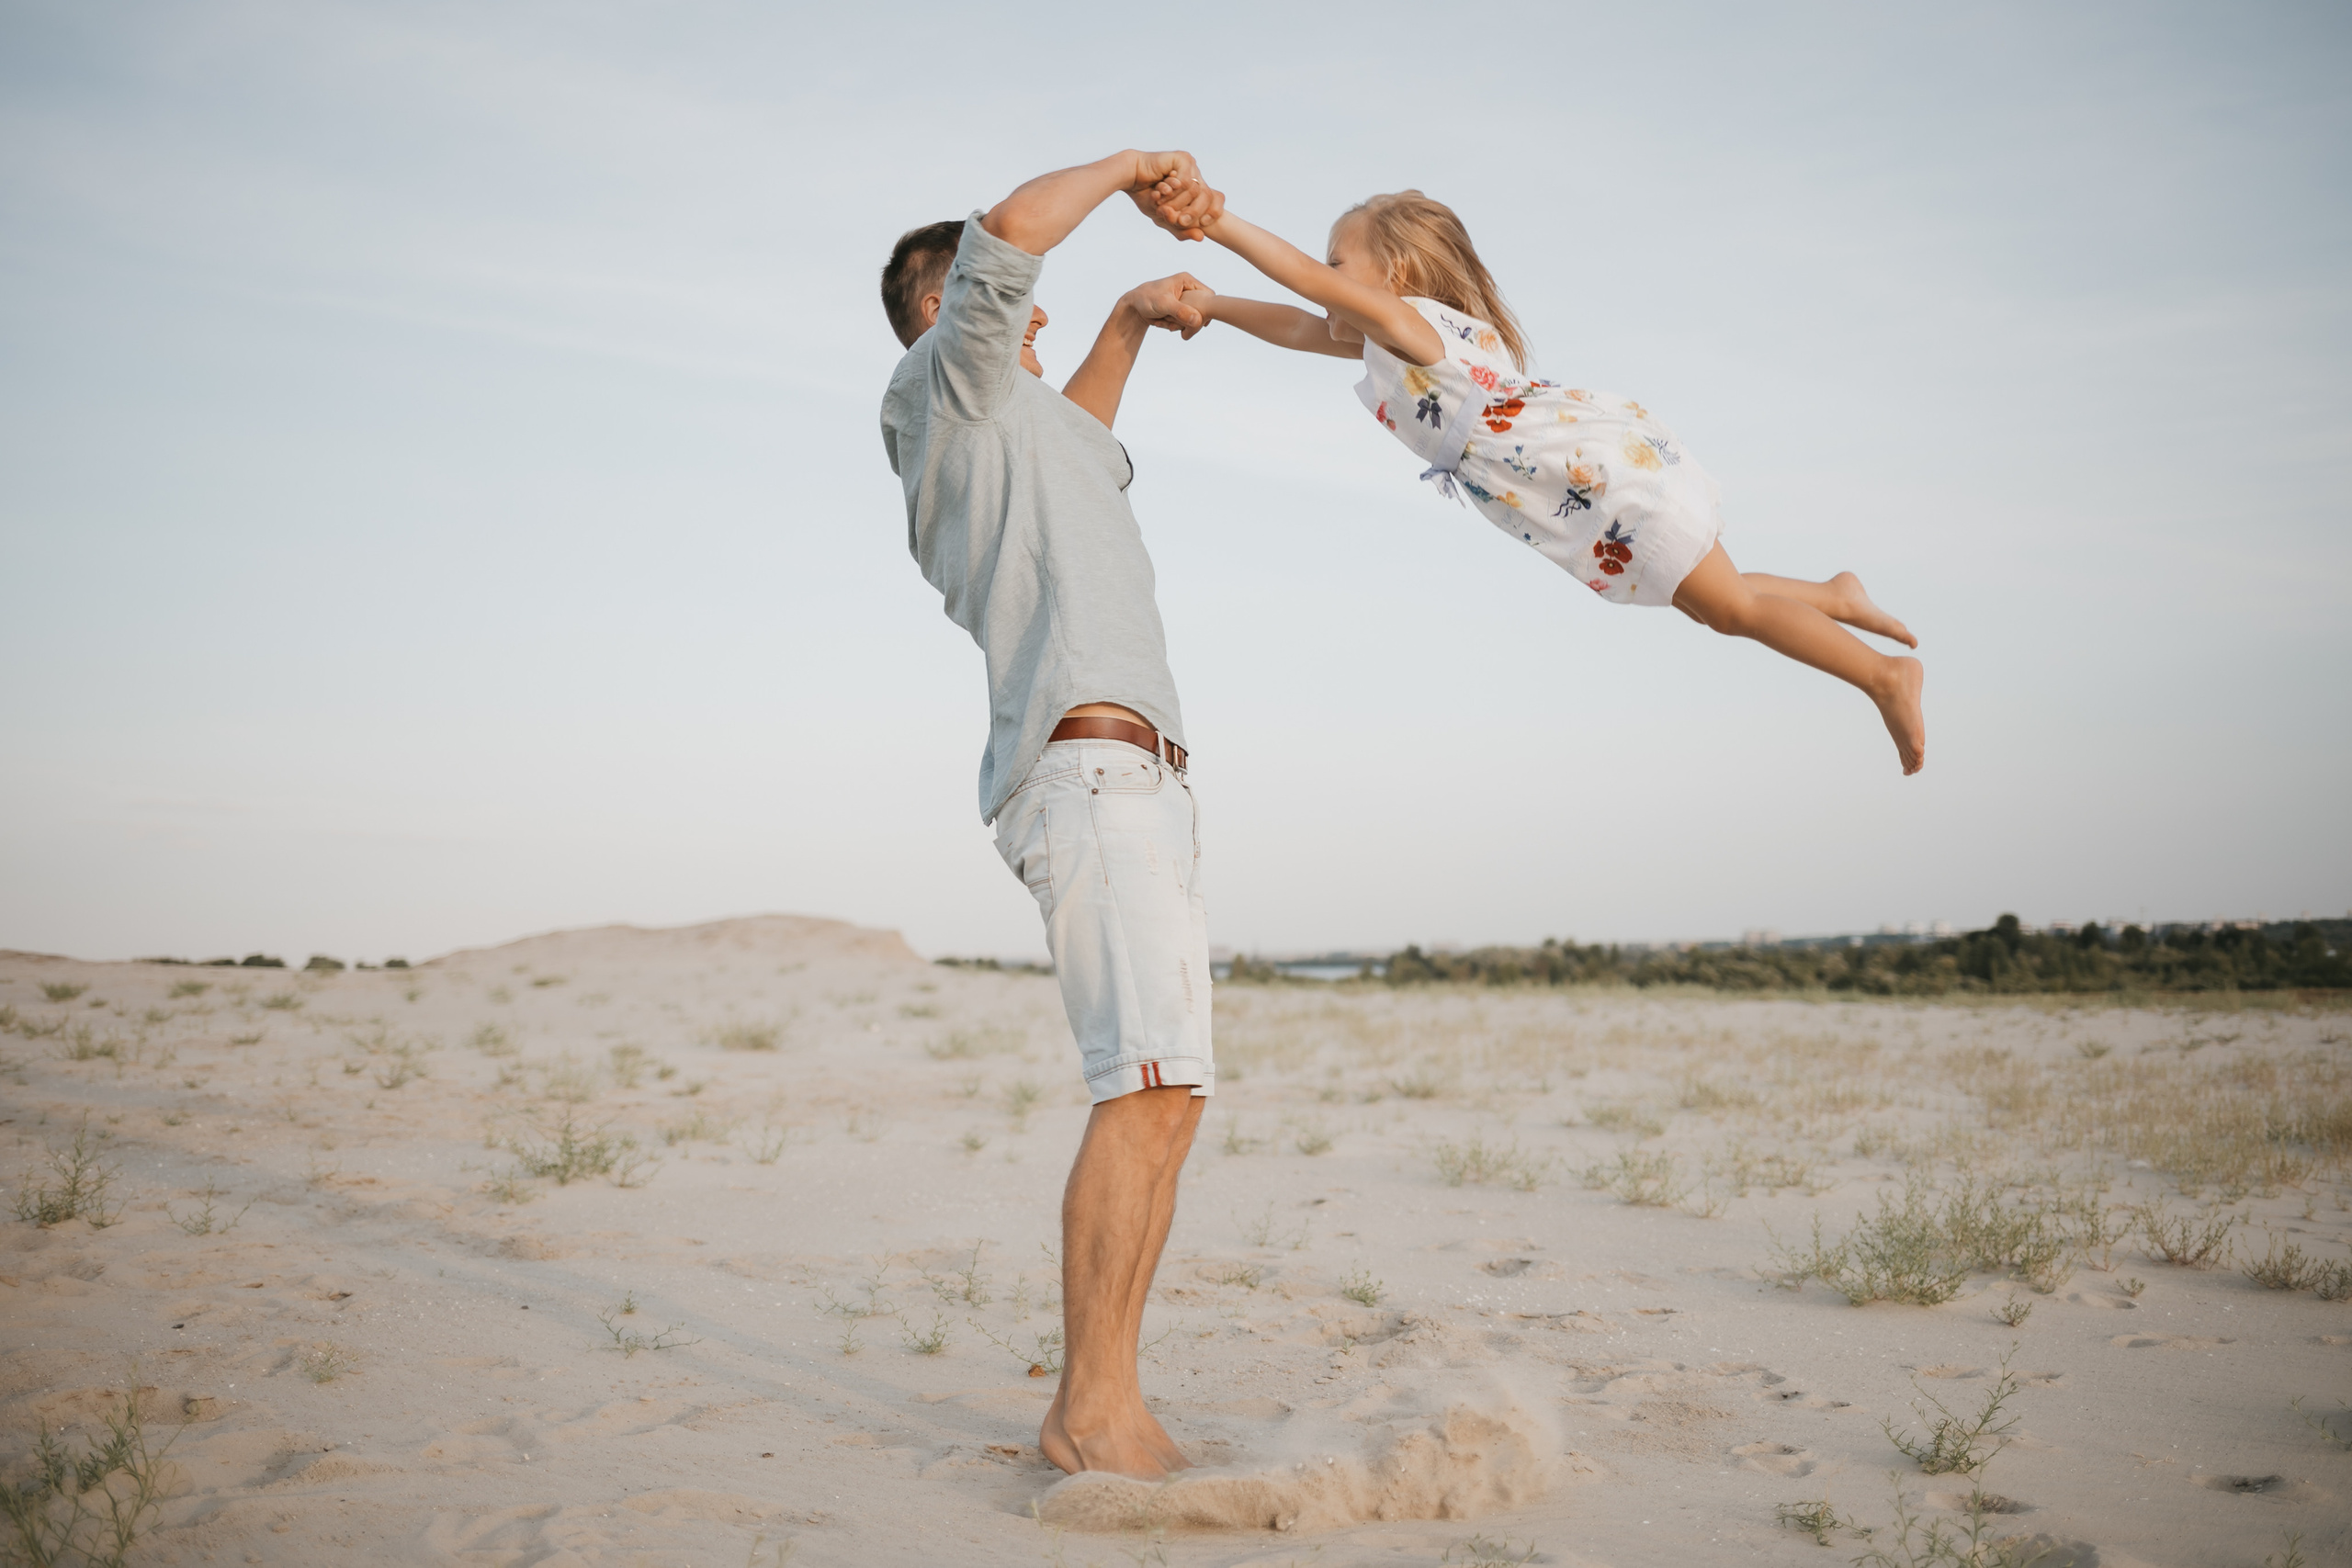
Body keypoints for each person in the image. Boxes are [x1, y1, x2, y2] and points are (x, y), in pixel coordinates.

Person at [876, 151, 1225, 1481]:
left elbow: (1081, 420)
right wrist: (1135, 161)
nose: (1033, 317)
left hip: (1142, 774)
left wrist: (1129, 320)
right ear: (949, 306)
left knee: (1171, 1092)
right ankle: (1091, 1412)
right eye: (1007, 302)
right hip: (1084, 768)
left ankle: (1112, 1402)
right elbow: (1011, 235)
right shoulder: (942, 390)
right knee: (1140, 1088)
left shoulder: (1033, 427)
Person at [1150, 184, 1929, 774]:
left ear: (1395, 273)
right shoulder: (1390, 346)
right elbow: (1300, 322)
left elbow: (1310, 294)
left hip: (1600, 480)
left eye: (1337, 262)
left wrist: (1213, 221)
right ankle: (1834, 596)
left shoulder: (1411, 329)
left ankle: (1882, 675)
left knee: (1730, 610)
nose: (1326, 279)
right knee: (1709, 600)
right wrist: (1215, 306)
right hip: (1586, 484)